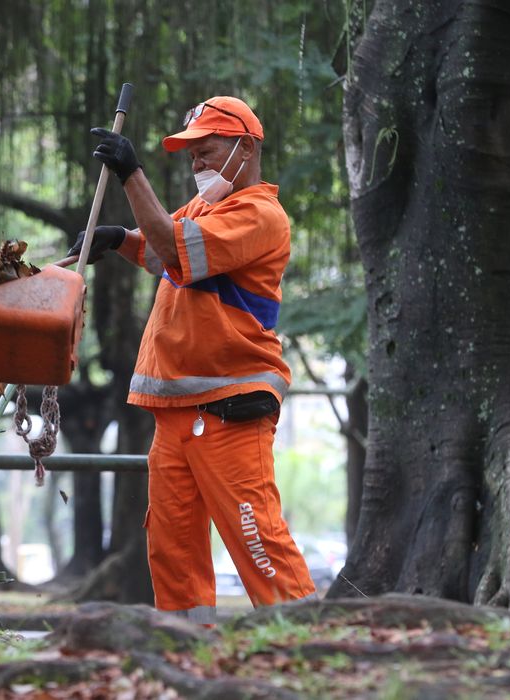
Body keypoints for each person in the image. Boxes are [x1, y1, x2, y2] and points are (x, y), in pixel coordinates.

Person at [68, 95, 317, 621]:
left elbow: (178, 250)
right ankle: (184, 653)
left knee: (257, 541)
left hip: (230, 407)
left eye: (207, 150)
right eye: (192, 155)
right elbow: (160, 249)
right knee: (172, 552)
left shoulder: (260, 215)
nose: (197, 163)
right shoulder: (206, 209)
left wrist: (131, 174)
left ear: (245, 148)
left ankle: (307, 648)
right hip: (177, 413)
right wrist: (119, 240)